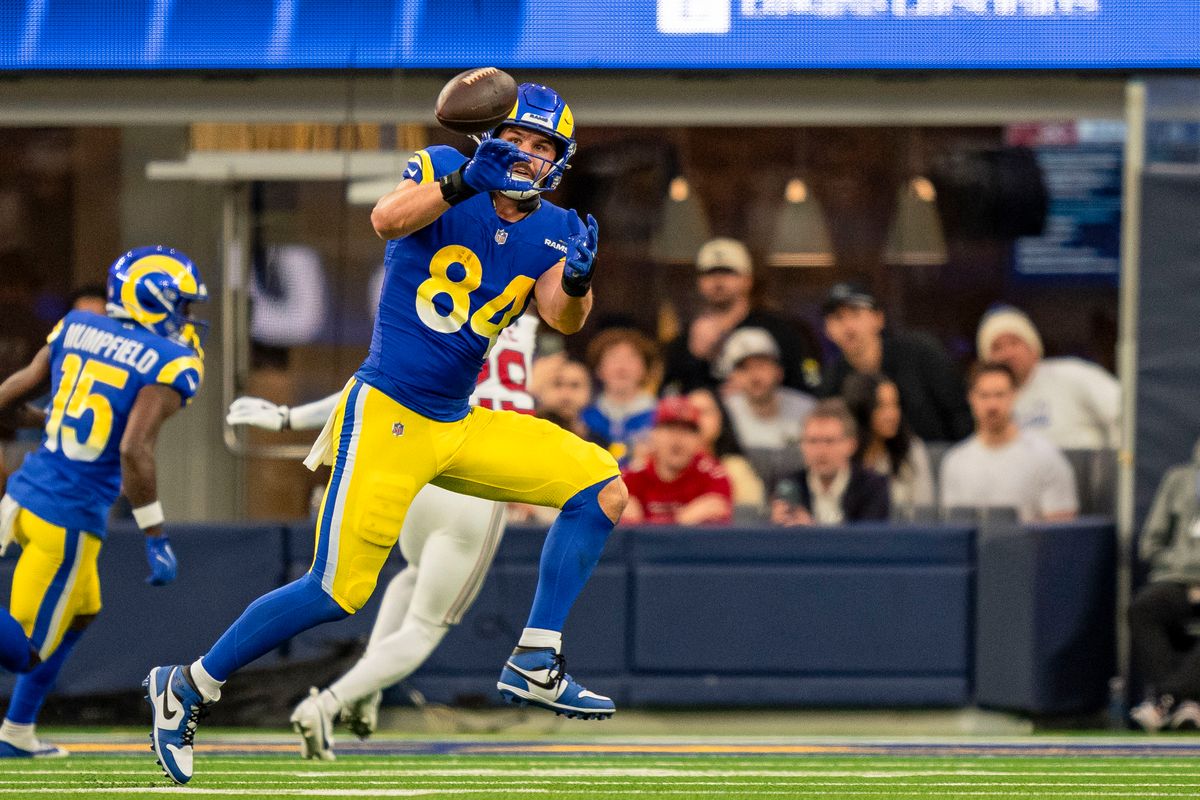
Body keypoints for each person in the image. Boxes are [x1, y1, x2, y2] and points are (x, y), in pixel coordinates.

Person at [145, 83, 628, 786]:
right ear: (490, 137)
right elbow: (386, 219)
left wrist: (581, 282)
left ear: (559, 159)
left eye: (542, 146)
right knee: (336, 591)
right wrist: (465, 181)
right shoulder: (440, 169)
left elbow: (561, 317)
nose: (527, 154)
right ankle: (188, 684)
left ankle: (535, 656)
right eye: (517, 138)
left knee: (602, 487)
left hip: (457, 422)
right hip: (390, 414)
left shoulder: (553, 225)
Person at [227, 312, 541, 759]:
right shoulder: (524, 321)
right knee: (426, 627)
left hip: (421, 471)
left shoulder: (442, 315)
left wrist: (286, 416)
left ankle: (367, 690)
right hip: (477, 479)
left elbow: (369, 388)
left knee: (411, 575)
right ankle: (329, 703)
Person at [0, 246, 205, 758]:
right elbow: (134, 449)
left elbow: (16, 391)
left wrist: (41, 421)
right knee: (24, 652)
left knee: (81, 614)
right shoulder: (169, 360)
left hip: (27, 494)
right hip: (66, 515)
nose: (186, 316)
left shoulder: (74, 326)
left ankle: (17, 731)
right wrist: (155, 534)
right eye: (180, 304)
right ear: (154, 301)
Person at [661, 237, 821, 395]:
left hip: (768, 417)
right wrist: (694, 357)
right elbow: (668, 396)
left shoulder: (781, 330)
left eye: (728, 272)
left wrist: (760, 389)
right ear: (699, 282)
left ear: (748, 280)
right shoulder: (686, 340)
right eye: (709, 273)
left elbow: (809, 388)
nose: (718, 280)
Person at [820, 282, 972, 442]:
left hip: (938, 454)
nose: (848, 327)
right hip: (869, 463)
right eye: (838, 317)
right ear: (827, 329)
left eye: (856, 314)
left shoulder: (919, 353)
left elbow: (960, 412)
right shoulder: (831, 381)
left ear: (878, 318)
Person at [939, 362, 1078, 523]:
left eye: (999, 395)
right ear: (971, 398)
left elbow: (1061, 532)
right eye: (984, 395)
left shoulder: (1046, 456)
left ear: (1014, 395)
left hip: (1029, 547)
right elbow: (954, 528)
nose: (992, 405)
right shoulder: (955, 462)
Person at [1126, 436, 1200, 732]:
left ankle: (1166, 699)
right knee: (1144, 607)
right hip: (1178, 579)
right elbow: (1150, 544)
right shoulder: (1179, 480)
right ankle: (1186, 702)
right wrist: (1184, 572)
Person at [977, 305, 1120, 449]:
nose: (1008, 353)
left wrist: (1116, 461)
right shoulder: (988, 399)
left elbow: (1124, 410)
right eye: (997, 348)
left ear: (1033, 347)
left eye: (1014, 343)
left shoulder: (1071, 374)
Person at [770, 399, 889, 526]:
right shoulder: (788, 485)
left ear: (851, 445)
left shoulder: (873, 487)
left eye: (829, 441)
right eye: (812, 441)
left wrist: (812, 531)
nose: (821, 451)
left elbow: (870, 541)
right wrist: (775, 528)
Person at [621, 396, 732, 526]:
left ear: (698, 439)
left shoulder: (713, 475)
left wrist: (646, 524)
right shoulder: (632, 476)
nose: (678, 439)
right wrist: (683, 520)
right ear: (653, 435)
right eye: (669, 428)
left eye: (687, 430)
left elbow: (717, 512)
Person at [841, 372, 935, 515]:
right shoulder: (843, 451)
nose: (892, 415)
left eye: (895, 404)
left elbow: (925, 512)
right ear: (861, 409)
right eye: (881, 406)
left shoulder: (912, 449)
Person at [580, 327, 659, 467]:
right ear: (599, 369)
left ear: (645, 369)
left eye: (631, 358)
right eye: (613, 357)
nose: (622, 367)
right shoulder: (583, 416)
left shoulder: (660, 418)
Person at [686, 387, 765, 513]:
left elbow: (751, 514)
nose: (696, 419)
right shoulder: (659, 466)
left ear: (721, 420)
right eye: (691, 412)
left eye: (704, 412)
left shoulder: (735, 468)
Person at [536, 357, 607, 449]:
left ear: (589, 392)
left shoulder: (599, 445)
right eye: (557, 384)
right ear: (540, 390)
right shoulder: (526, 434)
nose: (566, 394)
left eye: (575, 385)